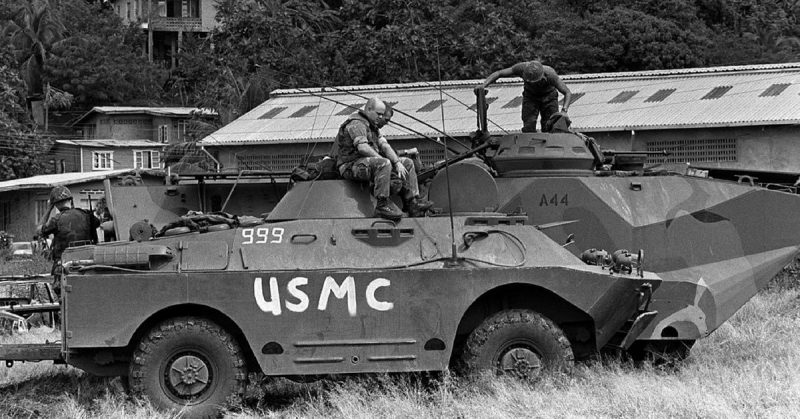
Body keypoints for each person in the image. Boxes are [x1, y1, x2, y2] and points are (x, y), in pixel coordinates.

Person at [333, 97, 433, 220]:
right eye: (378, 114)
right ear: (369, 109)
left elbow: (385, 146)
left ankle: (412, 203)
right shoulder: (356, 123)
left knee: (407, 162)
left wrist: (396, 162)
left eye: (382, 115)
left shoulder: (373, 126)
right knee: (384, 163)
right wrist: (387, 163)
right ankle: (382, 205)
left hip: (366, 163)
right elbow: (362, 148)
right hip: (350, 165)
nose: (381, 117)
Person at [476, 60, 572, 133]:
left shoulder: (551, 74)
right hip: (531, 97)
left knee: (550, 125)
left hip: (549, 98)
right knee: (529, 123)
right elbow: (499, 73)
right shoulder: (521, 68)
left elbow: (567, 92)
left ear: (543, 76)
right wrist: (483, 85)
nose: (532, 83)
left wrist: (564, 111)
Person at [39, 186, 100, 282]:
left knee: (61, 292)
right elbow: (97, 223)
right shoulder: (87, 215)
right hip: (87, 262)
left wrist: (48, 209)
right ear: (71, 200)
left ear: (55, 204)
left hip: (64, 265)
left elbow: (39, 231)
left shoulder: (56, 219)